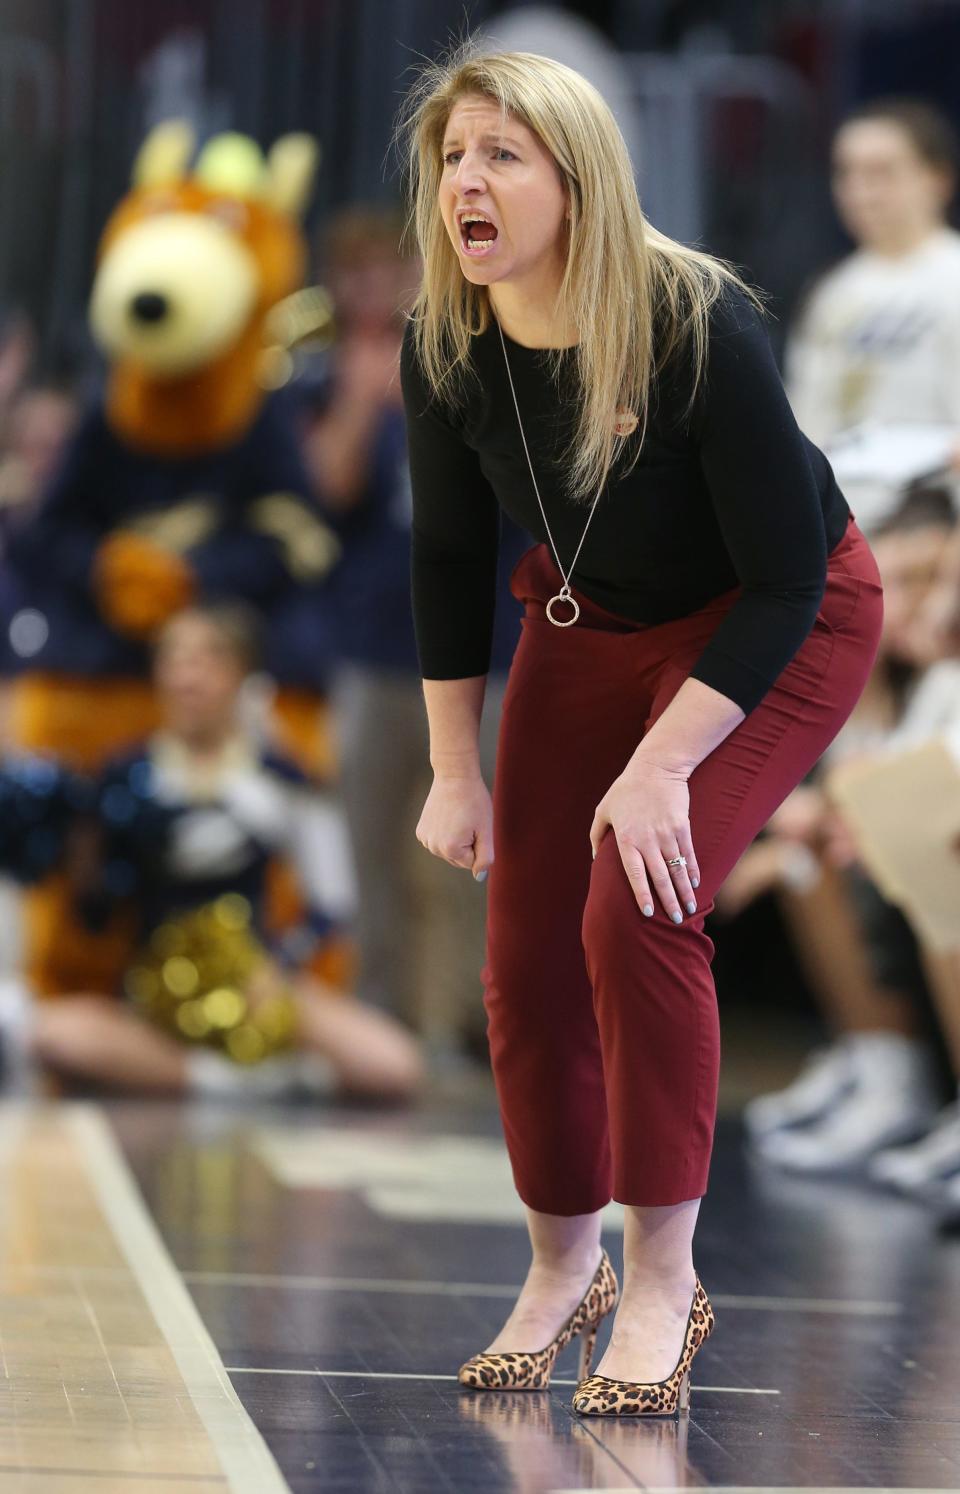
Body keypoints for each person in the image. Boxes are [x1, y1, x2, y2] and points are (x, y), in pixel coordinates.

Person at [395, 42, 883, 1418]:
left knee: (638, 906)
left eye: (501, 155)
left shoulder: (695, 321)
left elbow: (789, 577)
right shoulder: (447, 338)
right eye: (451, 159)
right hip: (589, 626)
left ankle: (665, 1272)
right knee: (527, 953)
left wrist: (665, 765)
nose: (466, 185)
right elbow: (444, 559)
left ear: (578, 180)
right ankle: (565, 1264)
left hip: (774, 624)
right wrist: (453, 767)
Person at [29, 604, 425, 1103]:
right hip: (153, 995)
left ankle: (236, 1068)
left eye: (208, 660)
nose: (188, 675)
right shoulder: (124, 774)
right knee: (53, 1034)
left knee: (394, 1064)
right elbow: (97, 917)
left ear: (242, 675)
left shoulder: (280, 778)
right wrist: (80, 863)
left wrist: (277, 968)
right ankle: (219, 1079)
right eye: (174, 659)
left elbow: (332, 905)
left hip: (257, 983)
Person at [785, 97, 960, 536]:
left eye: (882, 172)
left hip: (926, 532)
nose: (861, 191)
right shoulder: (831, 292)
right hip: (840, 532)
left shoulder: (951, 276)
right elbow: (806, 421)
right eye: (847, 173)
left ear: (937, 178)